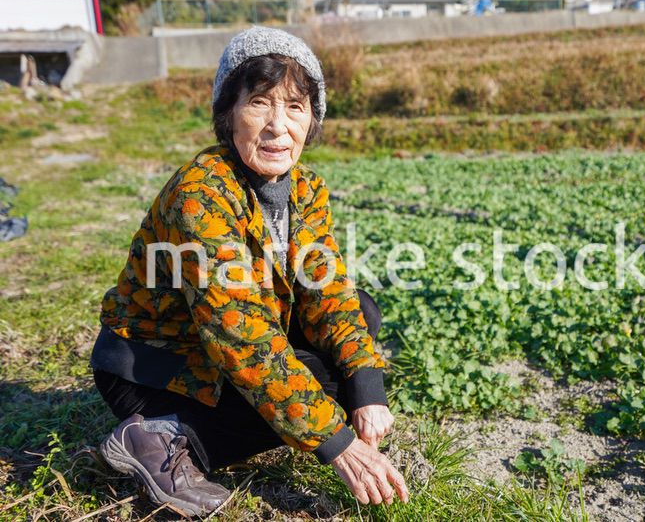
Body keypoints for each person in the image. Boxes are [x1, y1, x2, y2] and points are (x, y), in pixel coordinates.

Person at [89, 26, 410, 517]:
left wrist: (366, 388)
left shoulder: (304, 189)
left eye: (295, 107)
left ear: (312, 120)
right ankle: (158, 437)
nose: (278, 126)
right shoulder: (202, 193)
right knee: (318, 382)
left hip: (225, 342)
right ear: (228, 115)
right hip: (155, 367)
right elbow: (242, 338)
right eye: (260, 103)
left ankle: (210, 425)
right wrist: (338, 443)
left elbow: (329, 292)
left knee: (359, 316)